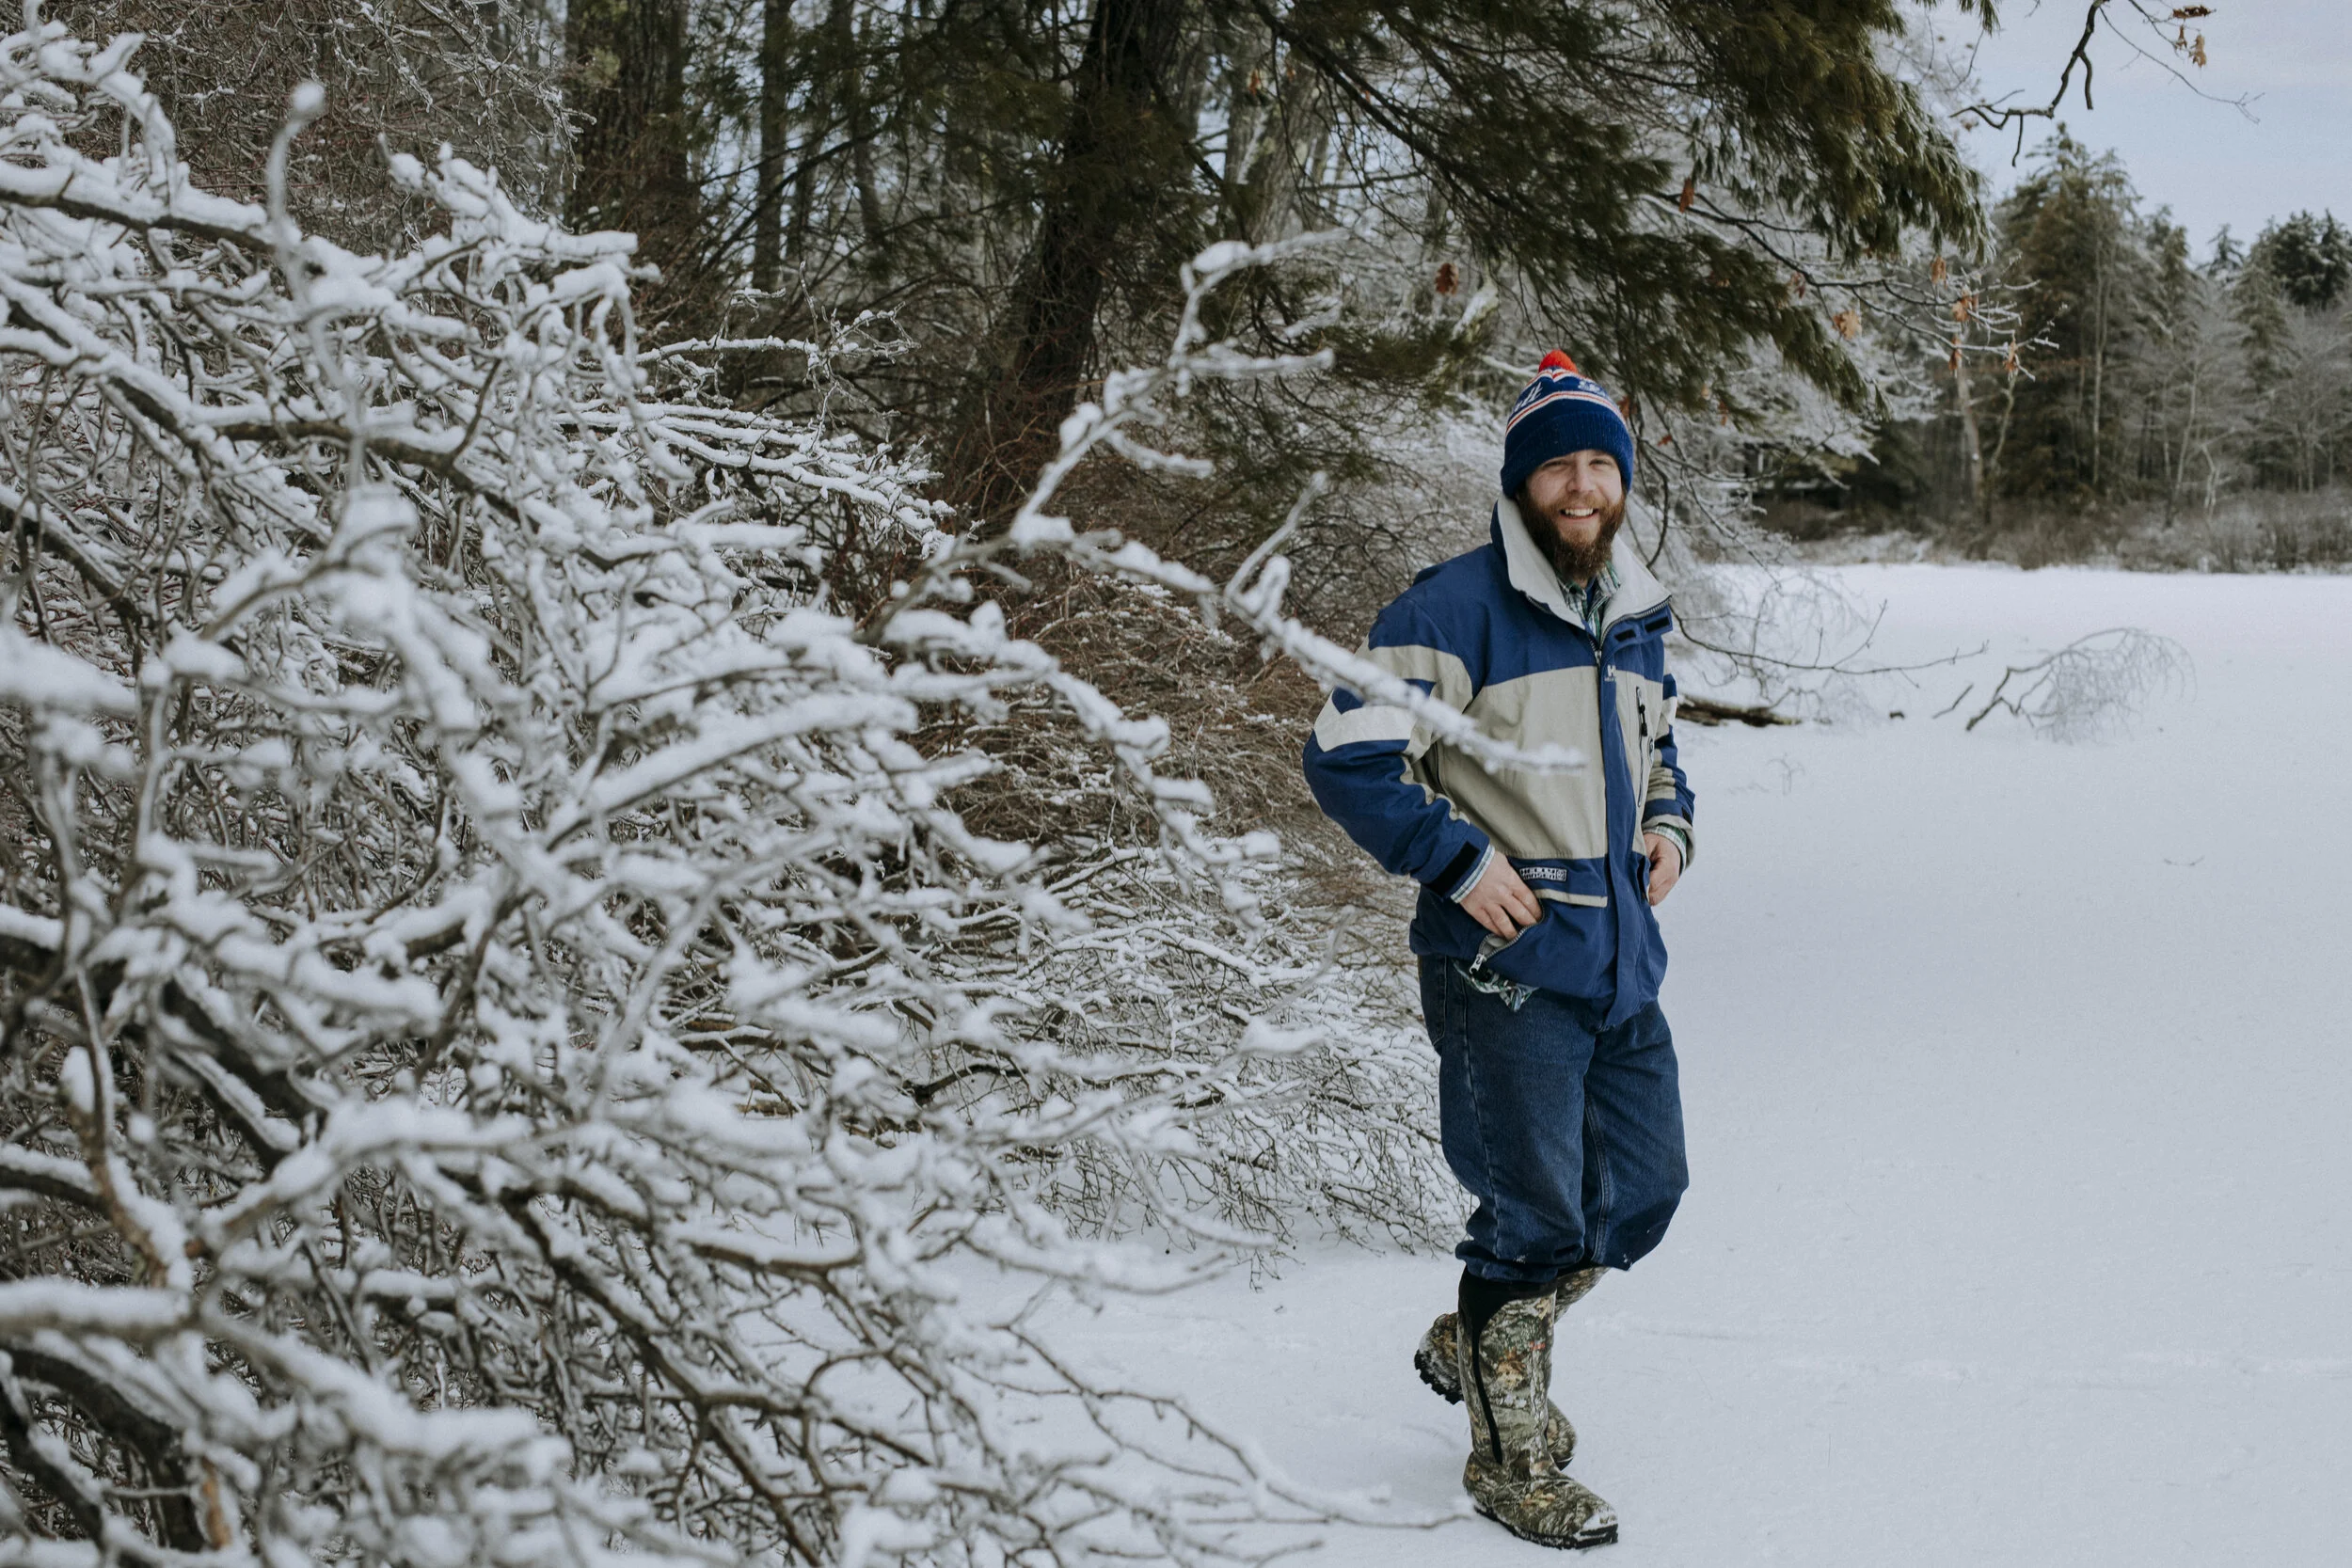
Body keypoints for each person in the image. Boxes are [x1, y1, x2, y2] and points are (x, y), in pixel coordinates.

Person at [1300, 351, 1694, 1550]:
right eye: (1558, 467)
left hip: (1619, 964)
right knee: (1532, 1217)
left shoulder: (1629, 614)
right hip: (1504, 972)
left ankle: (1478, 1338)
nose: (1583, 488)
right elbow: (1346, 756)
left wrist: (1671, 824)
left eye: (1600, 465)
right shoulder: (1449, 610)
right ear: (1522, 481)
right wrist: (1461, 862)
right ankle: (1508, 1458)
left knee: (1641, 1192)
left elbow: (1661, 748)